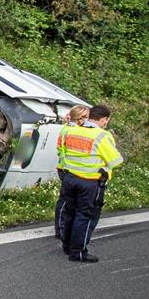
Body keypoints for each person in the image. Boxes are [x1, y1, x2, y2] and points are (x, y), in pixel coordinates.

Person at [56, 104, 123, 262]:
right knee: (85, 216)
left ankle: (66, 246)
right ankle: (78, 252)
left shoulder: (72, 130)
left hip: (70, 178)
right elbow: (115, 160)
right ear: (104, 120)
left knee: (69, 213)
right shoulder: (102, 135)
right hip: (90, 182)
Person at [54, 105, 90, 240]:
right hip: (67, 168)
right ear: (81, 118)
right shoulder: (74, 131)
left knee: (66, 200)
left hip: (67, 168)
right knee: (65, 200)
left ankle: (63, 227)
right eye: (86, 117)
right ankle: (60, 228)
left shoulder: (68, 128)